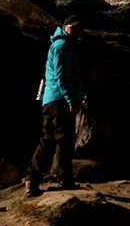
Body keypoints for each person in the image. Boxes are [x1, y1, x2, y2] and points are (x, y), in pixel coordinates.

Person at [26, 17, 85, 196]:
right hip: (60, 100)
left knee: (49, 139)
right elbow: (62, 76)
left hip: (51, 100)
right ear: (64, 28)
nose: (77, 31)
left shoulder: (61, 45)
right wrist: (72, 100)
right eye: (73, 28)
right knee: (64, 139)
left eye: (80, 28)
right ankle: (64, 179)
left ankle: (32, 180)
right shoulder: (62, 46)